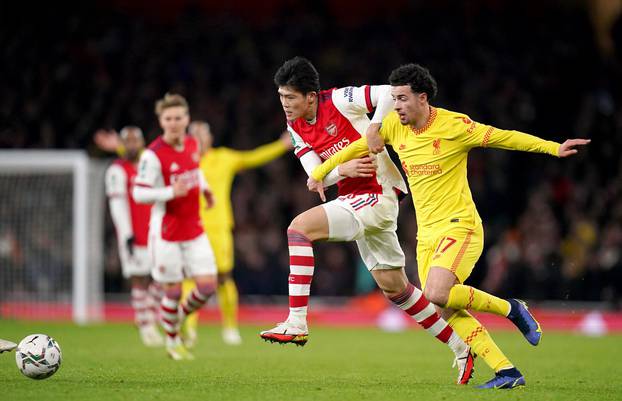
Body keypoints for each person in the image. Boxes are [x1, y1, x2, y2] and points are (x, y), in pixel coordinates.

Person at [308, 63, 590, 389]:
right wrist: (321, 172)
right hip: (426, 235)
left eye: (401, 98)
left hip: (460, 227)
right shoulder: (394, 126)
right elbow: (358, 146)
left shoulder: (454, 125)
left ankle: (512, 308)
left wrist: (552, 148)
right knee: (443, 307)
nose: (395, 105)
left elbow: (504, 137)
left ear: (422, 98)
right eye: (394, 98)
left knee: (436, 293)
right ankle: (506, 371)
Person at [260, 57, 475, 385]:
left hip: (378, 194)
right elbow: (314, 174)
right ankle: (460, 347)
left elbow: (390, 92)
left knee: (298, 229)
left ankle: (297, 321)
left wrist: (374, 126)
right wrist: (338, 171)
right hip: (353, 198)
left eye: (290, 97)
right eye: (281, 97)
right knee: (397, 289)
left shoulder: (341, 99)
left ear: (311, 96)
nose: (284, 104)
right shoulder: (294, 127)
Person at [180, 121, 292, 346]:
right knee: (191, 278)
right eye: (194, 134)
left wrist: (281, 145)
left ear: (210, 138)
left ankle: (230, 328)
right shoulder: (181, 160)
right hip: (190, 228)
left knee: (223, 278)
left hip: (218, 227)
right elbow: (150, 158)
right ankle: (189, 329)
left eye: (203, 134)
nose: (199, 138)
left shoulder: (223, 158)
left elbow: (253, 157)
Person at [133, 93, 218, 360]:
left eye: (178, 117)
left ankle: (177, 317)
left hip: (194, 229)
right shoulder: (152, 155)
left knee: (206, 286)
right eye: (168, 118)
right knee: (172, 290)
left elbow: (195, 171)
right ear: (161, 121)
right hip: (167, 233)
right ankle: (172, 342)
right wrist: (171, 192)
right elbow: (139, 193)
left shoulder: (192, 144)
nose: (173, 122)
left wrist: (205, 190)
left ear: (186, 118)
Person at [105, 126, 164, 347]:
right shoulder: (116, 170)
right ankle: (147, 326)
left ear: (141, 143)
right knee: (139, 279)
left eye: (135, 141)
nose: (132, 145)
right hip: (133, 234)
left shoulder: (147, 167)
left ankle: (146, 318)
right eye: (127, 141)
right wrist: (126, 233)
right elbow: (117, 204)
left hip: (155, 230)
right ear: (123, 144)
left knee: (162, 276)